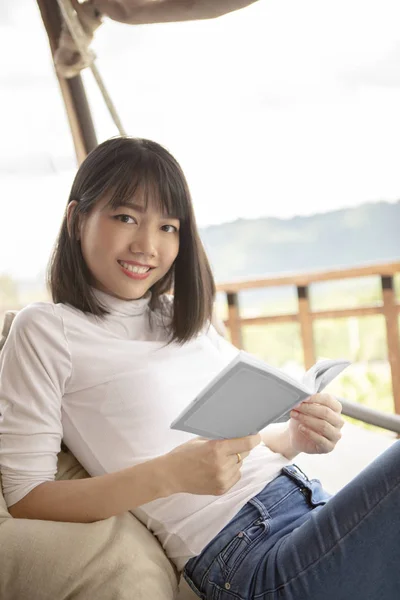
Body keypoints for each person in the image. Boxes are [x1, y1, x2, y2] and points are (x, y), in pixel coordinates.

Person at [0, 136, 398, 600]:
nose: (147, 245)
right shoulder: (45, 331)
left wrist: (294, 439)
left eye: (168, 227)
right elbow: (27, 499)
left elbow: (228, 444)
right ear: (76, 219)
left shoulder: (180, 317)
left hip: (308, 508)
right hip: (248, 557)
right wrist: (169, 474)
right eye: (126, 217)